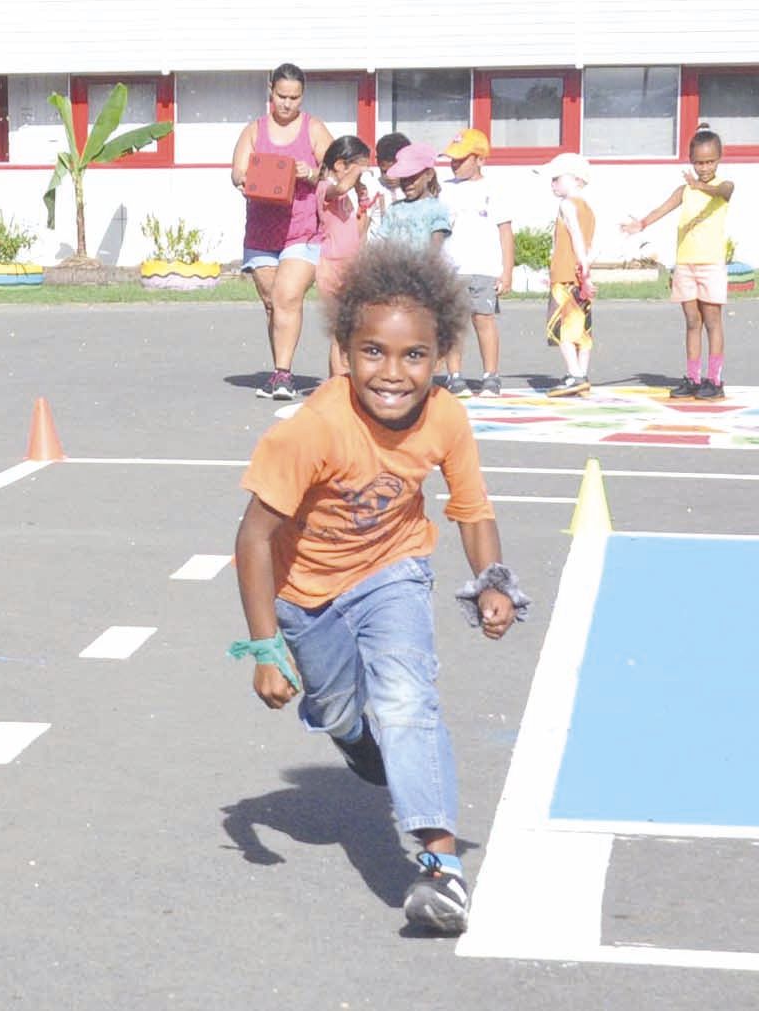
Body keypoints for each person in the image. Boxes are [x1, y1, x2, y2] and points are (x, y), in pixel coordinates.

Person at [229, 241, 527, 936]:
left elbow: (471, 508)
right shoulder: (312, 430)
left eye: (413, 355)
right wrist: (265, 649)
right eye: (372, 352)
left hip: (392, 570)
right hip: (304, 594)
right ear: (342, 351)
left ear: (441, 354)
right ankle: (353, 735)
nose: (392, 374)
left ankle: (440, 869)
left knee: (407, 700)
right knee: (340, 710)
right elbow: (252, 540)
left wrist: (492, 580)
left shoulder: (446, 417)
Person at [233, 64, 333, 401]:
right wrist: (247, 180)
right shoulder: (255, 130)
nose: (287, 104)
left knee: (287, 296)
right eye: (281, 96)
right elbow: (237, 172)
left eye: (294, 98)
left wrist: (312, 172)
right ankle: (279, 370)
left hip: (302, 229)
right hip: (262, 231)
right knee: (272, 303)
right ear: (270, 92)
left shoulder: (314, 129)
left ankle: (284, 374)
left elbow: (337, 170)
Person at [622, 126, 736, 400]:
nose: (704, 167)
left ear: (719, 159)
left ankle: (714, 380)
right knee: (692, 321)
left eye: (710, 162)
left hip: (710, 265)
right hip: (686, 264)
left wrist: (701, 186)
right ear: (691, 160)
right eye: (699, 162)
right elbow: (662, 208)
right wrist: (641, 224)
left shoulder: (723, 186)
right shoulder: (684, 190)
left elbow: (724, 190)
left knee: (712, 321)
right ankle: (693, 378)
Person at [438, 128, 513, 398]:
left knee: (484, 319)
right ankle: (454, 375)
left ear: (480, 159)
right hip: (450, 268)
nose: (454, 164)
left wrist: (506, 271)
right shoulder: (444, 189)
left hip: (484, 267)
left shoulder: (493, 189)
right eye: (452, 159)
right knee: (454, 323)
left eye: (461, 159)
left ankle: (491, 376)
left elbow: (505, 232)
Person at [315, 135, 376, 378]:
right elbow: (339, 188)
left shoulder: (348, 196)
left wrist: (363, 199)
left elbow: (359, 231)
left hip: (352, 264)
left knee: (353, 328)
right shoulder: (325, 188)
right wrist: (356, 175)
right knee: (340, 329)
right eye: (360, 167)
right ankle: (339, 381)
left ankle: (347, 377)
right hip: (332, 265)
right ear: (340, 165)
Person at [542, 152, 597, 398]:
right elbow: (590, 243)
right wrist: (587, 270)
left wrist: (581, 264)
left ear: (576, 179)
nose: (553, 183)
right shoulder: (589, 209)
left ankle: (575, 374)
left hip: (566, 274)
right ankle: (581, 373)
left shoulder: (566, 205)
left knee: (562, 326)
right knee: (582, 327)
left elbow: (575, 236)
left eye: (557, 178)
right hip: (580, 276)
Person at [364, 142, 451, 254]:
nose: (407, 183)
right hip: (392, 264)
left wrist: (428, 263)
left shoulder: (436, 209)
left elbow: (435, 248)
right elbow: (380, 240)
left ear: (429, 175)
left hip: (423, 264)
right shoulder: (394, 209)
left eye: (413, 178)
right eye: (404, 179)